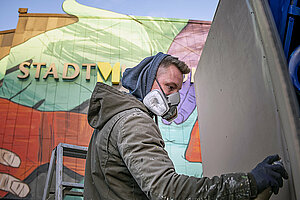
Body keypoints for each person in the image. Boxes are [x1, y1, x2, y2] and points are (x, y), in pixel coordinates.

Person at [84, 52, 288, 199]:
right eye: (169, 87)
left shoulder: (115, 116)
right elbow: (166, 189)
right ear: (147, 81)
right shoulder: (134, 121)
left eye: (177, 92)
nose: (173, 99)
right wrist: (249, 182)